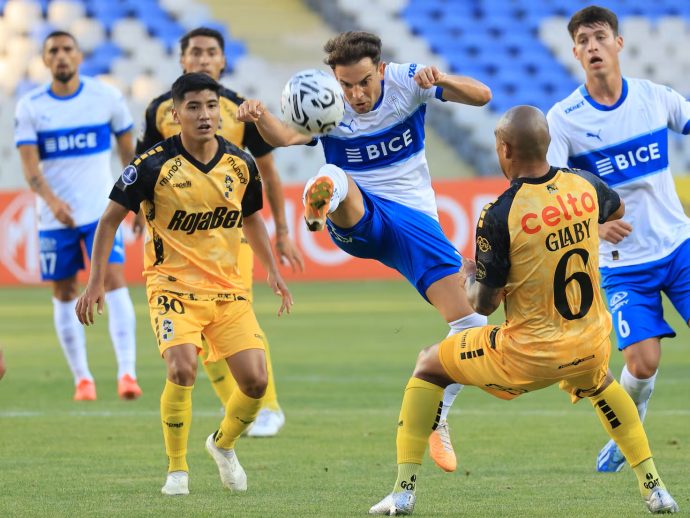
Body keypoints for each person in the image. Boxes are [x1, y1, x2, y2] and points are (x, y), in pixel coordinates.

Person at [369, 105, 679, 515]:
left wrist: (469, 275)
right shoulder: (584, 184)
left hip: (528, 355)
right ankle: (655, 488)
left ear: (505, 149)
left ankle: (402, 492)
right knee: (602, 384)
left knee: (428, 365)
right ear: (546, 144)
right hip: (589, 343)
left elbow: (483, 303)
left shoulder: (499, 213)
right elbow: (616, 209)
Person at [237, 31, 492, 472]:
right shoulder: (328, 103)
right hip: (359, 217)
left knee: (473, 323)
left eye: (364, 83)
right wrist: (259, 117)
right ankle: (320, 202)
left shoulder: (408, 82)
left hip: (414, 221)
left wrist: (441, 79)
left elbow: (482, 95)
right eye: (346, 84)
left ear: (381, 69)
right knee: (335, 173)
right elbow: (282, 136)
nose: (355, 94)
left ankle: (437, 414)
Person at [76, 73, 293, 495]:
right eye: (193, 107)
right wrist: (95, 281)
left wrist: (272, 270)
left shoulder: (241, 164)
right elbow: (109, 221)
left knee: (256, 383)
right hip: (171, 288)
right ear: (175, 115)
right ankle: (177, 470)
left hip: (228, 290)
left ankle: (222, 444)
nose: (204, 114)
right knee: (181, 368)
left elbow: (252, 219)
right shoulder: (151, 165)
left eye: (211, 105)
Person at [136, 27, 301, 438]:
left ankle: (267, 407)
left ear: (223, 60)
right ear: (182, 60)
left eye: (211, 52)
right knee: (197, 330)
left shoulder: (240, 110)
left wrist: (282, 230)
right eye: (195, 52)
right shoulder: (160, 110)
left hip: (230, 234)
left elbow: (267, 172)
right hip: (179, 240)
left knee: (234, 315)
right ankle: (240, 408)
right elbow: (143, 170)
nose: (203, 59)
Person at [546, 5, 690, 473]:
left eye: (600, 37)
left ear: (618, 43)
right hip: (622, 263)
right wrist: (592, 225)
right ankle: (629, 425)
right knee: (643, 363)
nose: (593, 47)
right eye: (583, 41)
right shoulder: (563, 119)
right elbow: (550, 189)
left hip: (679, 247)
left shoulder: (654, 98)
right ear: (574, 52)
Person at [14, 31, 142, 401]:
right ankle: (82, 378)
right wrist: (52, 201)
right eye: (53, 51)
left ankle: (127, 373)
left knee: (114, 281)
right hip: (55, 218)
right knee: (64, 291)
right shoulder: (31, 106)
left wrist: (135, 199)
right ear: (44, 60)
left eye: (67, 49)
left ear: (79, 56)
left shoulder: (106, 97)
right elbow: (29, 166)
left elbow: (129, 153)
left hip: (102, 213)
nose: (61, 56)